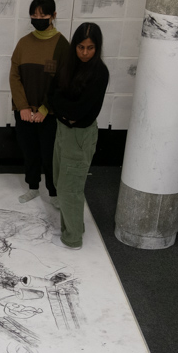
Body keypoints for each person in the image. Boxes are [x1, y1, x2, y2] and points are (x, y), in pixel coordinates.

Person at [49, 23, 109, 249]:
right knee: (59, 181)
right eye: (81, 47)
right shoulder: (68, 66)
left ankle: (72, 238)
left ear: (97, 47)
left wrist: (65, 108)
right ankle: (76, 225)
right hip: (63, 130)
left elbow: (77, 112)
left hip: (80, 135)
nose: (85, 52)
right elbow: (51, 96)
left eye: (90, 48)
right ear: (74, 46)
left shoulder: (100, 72)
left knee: (69, 188)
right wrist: (66, 110)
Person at [9, 0, 70, 208]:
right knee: (29, 151)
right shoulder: (23, 43)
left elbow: (63, 82)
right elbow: (14, 76)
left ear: (53, 15)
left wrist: (45, 108)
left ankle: (54, 193)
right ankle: (33, 188)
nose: (38, 18)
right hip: (24, 112)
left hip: (49, 113)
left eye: (42, 14)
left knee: (50, 154)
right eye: (34, 14)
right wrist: (23, 107)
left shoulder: (62, 45)